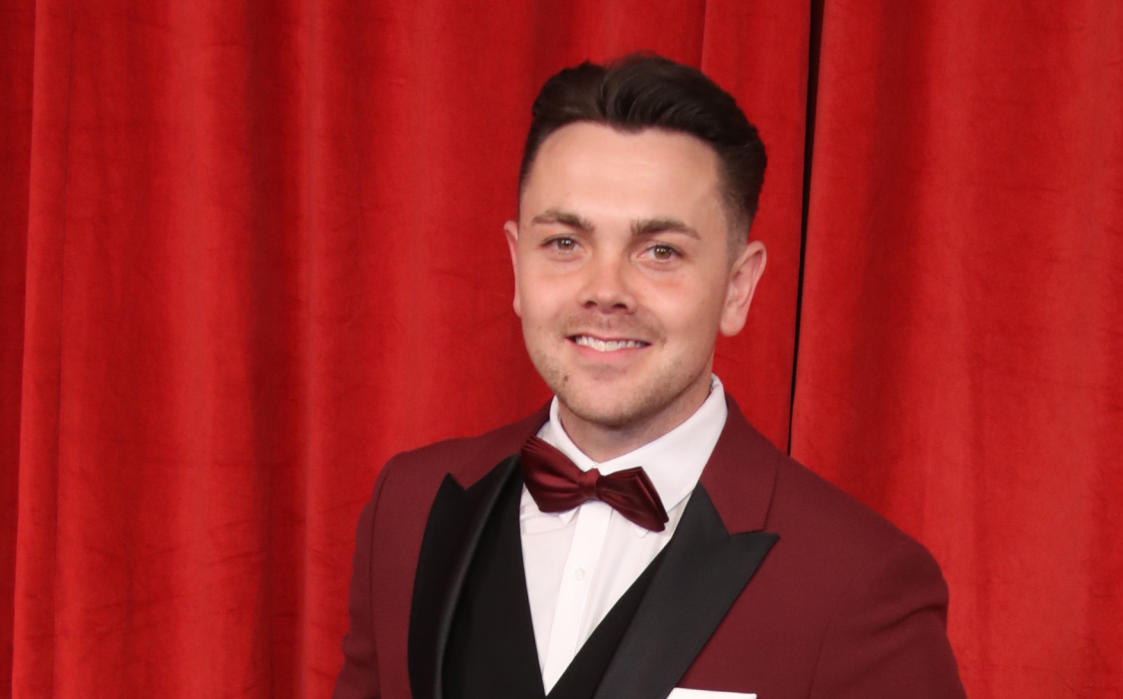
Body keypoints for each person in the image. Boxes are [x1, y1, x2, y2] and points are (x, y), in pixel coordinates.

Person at [333, 53, 965, 699]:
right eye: (565, 243)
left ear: (738, 287)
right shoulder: (407, 505)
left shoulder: (860, 579)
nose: (605, 290)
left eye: (660, 251)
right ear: (518, 265)